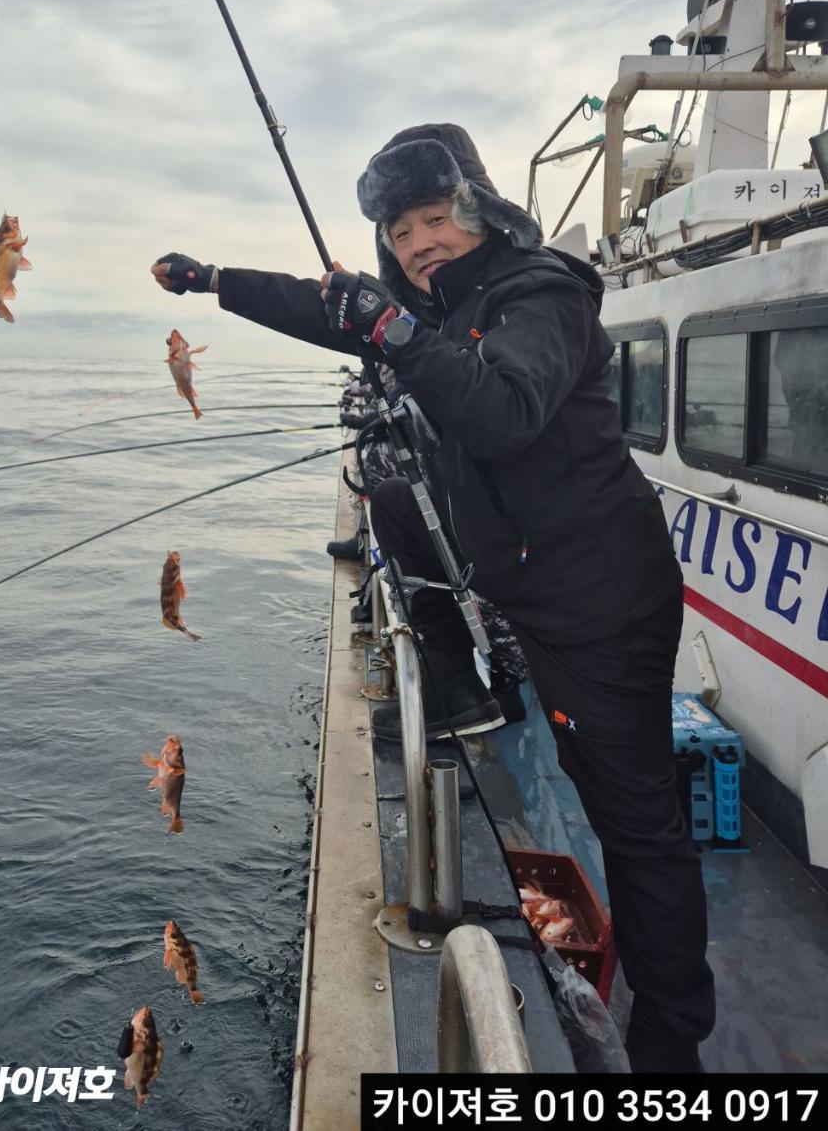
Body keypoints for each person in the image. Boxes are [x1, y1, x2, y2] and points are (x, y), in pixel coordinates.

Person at [151, 122, 715, 1073]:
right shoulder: (435, 304)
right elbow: (319, 306)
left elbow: (503, 410)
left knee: (636, 822)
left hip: (601, 605)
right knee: (390, 497)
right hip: (536, 588)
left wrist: (394, 330)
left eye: (434, 216)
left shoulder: (541, 292)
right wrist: (214, 280)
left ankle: (672, 1047)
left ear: (479, 207)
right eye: (401, 229)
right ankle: (460, 683)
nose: (418, 241)